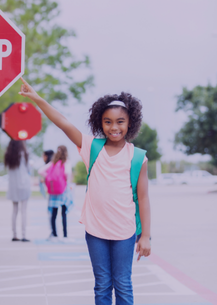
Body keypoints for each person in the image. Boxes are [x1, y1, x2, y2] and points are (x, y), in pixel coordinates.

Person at [19, 77, 151, 305]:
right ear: (101, 123)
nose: (114, 127)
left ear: (130, 123)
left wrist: (146, 235)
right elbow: (63, 123)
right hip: (96, 230)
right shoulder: (92, 147)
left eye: (120, 122)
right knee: (102, 284)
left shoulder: (138, 157)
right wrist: (37, 99)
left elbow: (143, 198)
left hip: (125, 232)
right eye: (108, 122)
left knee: (122, 282)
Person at [38, 146, 72, 241]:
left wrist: (48, 176)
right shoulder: (67, 162)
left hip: (53, 192)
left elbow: (40, 171)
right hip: (63, 190)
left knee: (53, 213)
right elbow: (67, 173)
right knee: (63, 213)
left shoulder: (53, 162)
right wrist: (65, 181)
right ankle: (65, 236)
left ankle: (54, 235)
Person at [4, 139, 31, 242]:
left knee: (14, 211)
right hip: (24, 185)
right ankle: (24, 235)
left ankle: (14, 235)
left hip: (13, 186)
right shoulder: (24, 153)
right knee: (23, 211)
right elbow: (28, 169)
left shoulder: (8, 155)